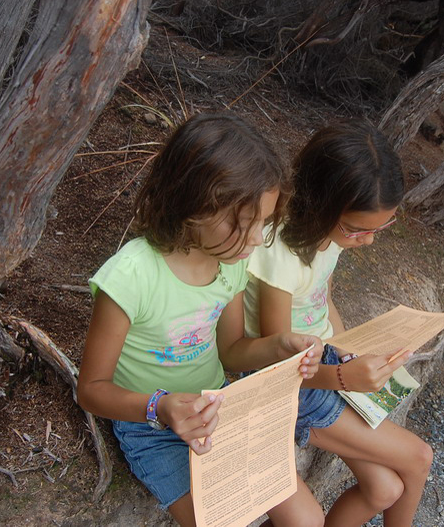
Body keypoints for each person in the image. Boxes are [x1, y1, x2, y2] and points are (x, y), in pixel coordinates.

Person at [78, 112, 326, 527]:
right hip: (150, 425)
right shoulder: (131, 278)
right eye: (243, 223)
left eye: (263, 223)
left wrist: (278, 346)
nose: (255, 239)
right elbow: (91, 390)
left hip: (218, 404)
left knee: (308, 519)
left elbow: (231, 351)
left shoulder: (231, 263)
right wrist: (160, 406)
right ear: (193, 205)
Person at [243, 119, 434, 527]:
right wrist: (344, 376)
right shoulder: (279, 254)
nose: (369, 240)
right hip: (291, 386)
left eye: (380, 228)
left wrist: (352, 349)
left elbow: (323, 299)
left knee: (384, 489)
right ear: (321, 203)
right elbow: (276, 365)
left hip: (325, 363)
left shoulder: (330, 233)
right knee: (420, 457)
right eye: (359, 229)